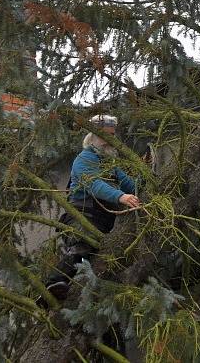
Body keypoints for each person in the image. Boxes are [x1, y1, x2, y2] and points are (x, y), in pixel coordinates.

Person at [45, 113, 142, 299]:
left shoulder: (110, 165)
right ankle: (55, 282)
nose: (108, 141)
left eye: (112, 136)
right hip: (83, 215)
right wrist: (120, 196)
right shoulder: (84, 159)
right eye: (104, 136)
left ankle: (71, 288)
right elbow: (94, 184)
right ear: (92, 138)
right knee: (82, 246)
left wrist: (146, 181)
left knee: (93, 258)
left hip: (103, 222)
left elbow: (130, 184)